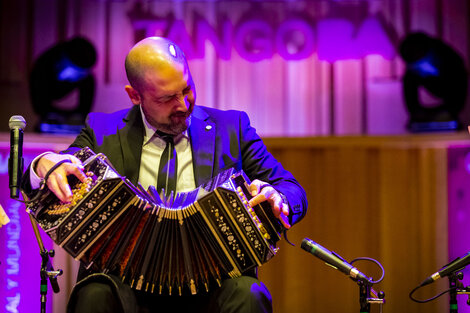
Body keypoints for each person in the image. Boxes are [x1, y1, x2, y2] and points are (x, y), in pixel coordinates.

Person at [22, 37, 307, 313]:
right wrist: (42, 164)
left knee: (250, 294)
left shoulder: (232, 127)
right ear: (135, 96)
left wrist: (278, 197)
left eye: (187, 89)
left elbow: (292, 189)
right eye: (167, 98)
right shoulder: (102, 132)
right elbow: (48, 178)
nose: (183, 105)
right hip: (125, 284)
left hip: (215, 282)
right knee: (94, 294)